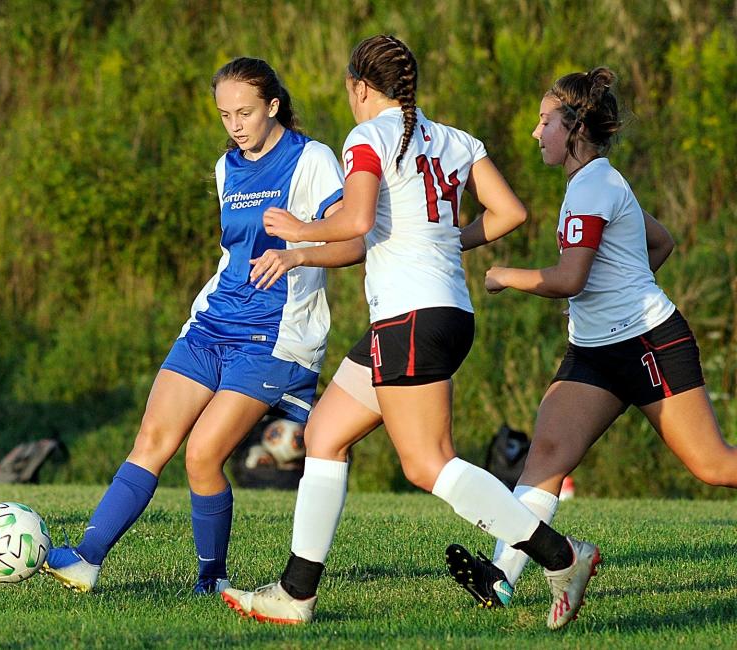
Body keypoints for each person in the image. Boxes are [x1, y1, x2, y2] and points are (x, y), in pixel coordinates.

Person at [220, 35, 600, 631]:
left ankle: (562, 555)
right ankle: (296, 594)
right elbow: (510, 214)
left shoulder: (367, 137)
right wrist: (446, 240)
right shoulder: (454, 139)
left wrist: (299, 229)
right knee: (324, 433)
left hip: (412, 317)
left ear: (359, 88)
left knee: (427, 464)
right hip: (438, 314)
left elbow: (358, 220)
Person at [41, 57, 363, 595]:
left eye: (245, 112)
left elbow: (354, 240)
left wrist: (298, 252)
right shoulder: (226, 167)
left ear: (273, 106)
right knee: (151, 439)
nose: (235, 125)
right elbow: (232, 251)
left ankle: (212, 577)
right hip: (212, 323)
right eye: (224, 115)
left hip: (273, 337)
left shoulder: (311, 159)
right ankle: (86, 558)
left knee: (202, 456)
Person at [445, 66, 737, 609]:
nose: (536, 133)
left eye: (544, 121)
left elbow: (568, 280)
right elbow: (660, 240)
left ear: (575, 127)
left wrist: (505, 275)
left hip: (649, 344)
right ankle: (500, 577)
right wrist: (624, 285)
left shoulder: (594, 185)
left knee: (713, 466)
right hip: (595, 352)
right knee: (547, 457)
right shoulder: (596, 184)